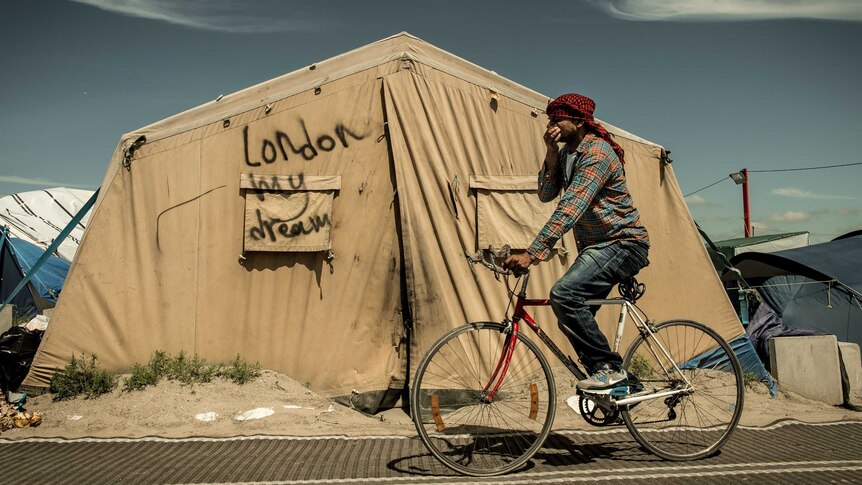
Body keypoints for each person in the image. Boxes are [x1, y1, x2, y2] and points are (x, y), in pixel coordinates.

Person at [504, 93, 650, 395]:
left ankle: (609, 371)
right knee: (570, 317)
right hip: (598, 249)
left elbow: (570, 207)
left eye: (558, 119)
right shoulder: (570, 154)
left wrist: (533, 253)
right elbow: (546, 194)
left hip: (622, 243)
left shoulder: (597, 153)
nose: (551, 124)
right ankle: (622, 386)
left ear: (580, 120)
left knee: (564, 294)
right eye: (550, 119)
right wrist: (551, 151)